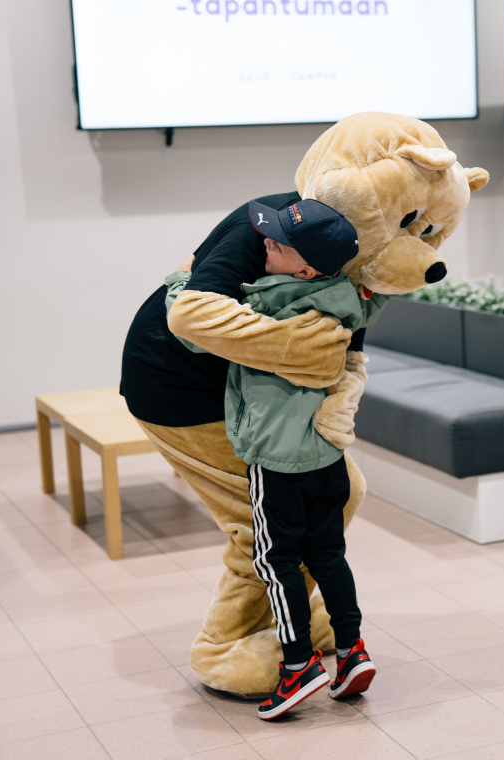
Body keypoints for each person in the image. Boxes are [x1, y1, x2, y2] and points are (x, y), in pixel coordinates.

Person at [165, 198, 380, 719]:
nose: (266, 241)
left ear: (304, 270)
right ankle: (351, 650)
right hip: (326, 456)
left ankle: (297, 665)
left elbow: (197, 336)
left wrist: (183, 277)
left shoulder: (267, 300)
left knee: (276, 561)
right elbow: (374, 302)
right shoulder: (348, 299)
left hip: (276, 460)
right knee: (328, 554)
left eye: (279, 244)